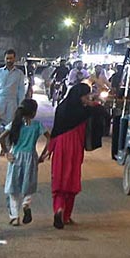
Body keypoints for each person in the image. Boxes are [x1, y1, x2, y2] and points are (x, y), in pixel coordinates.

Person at [40, 82, 94, 229]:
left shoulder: (62, 107)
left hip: (60, 146)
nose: (86, 98)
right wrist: (92, 104)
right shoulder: (85, 111)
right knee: (71, 179)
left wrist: (47, 151)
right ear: (80, 95)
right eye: (85, 96)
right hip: (75, 147)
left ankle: (58, 208)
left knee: (59, 177)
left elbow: (55, 130)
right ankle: (66, 216)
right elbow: (102, 114)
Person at [0, 98, 50, 226]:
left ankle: (15, 216)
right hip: (31, 156)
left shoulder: (15, 123)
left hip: (15, 157)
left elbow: (1, 137)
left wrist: (6, 152)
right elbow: (50, 138)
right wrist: (43, 154)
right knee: (29, 183)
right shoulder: (37, 124)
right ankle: (26, 204)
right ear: (34, 113)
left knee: (13, 187)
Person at [0, 49, 26, 156]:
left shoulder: (19, 74)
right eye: (7, 58)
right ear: (4, 59)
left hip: (12, 102)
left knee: (9, 126)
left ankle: (5, 147)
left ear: (15, 59)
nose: (9, 60)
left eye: (11, 58)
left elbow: (21, 91)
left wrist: (20, 106)